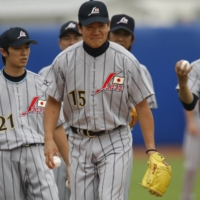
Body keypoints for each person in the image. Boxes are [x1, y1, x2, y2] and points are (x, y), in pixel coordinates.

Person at [43, 1, 166, 200]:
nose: (96, 31)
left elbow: (143, 107)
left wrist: (151, 149)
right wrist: (49, 140)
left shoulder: (126, 60)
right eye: (90, 26)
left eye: (100, 25)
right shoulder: (63, 61)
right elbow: (53, 103)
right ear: (80, 27)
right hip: (78, 141)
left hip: (115, 139)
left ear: (108, 25)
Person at [0, 27, 66, 200]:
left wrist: (71, 165)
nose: (24, 53)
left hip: (38, 154)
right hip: (4, 156)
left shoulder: (42, 84)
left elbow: (57, 126)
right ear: (3, 51)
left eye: (27, 47)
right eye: (17, 48)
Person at [108, 14, 158, 200]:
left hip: (120, 137)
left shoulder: (140, 69)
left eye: (125, 34)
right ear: (107, 34)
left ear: (132, 39)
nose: (120, 38)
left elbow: (147, 109)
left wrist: (150, 149)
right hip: (86, 139)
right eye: (116, 33)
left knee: (119, 194)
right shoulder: (93, 64)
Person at [39, 20, 82, 200]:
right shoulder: (45, 74)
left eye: (75, 37)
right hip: (58, 143)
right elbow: (45, 115)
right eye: (66, 38)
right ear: (59, 42)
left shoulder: (96, 70)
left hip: (88, 142)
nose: (71, 42)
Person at [175, 59, 200, 200]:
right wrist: (190, 122)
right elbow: (189, 102)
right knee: (191, 166)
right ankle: (186, 197)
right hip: (197, 119)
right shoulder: (196, 67)